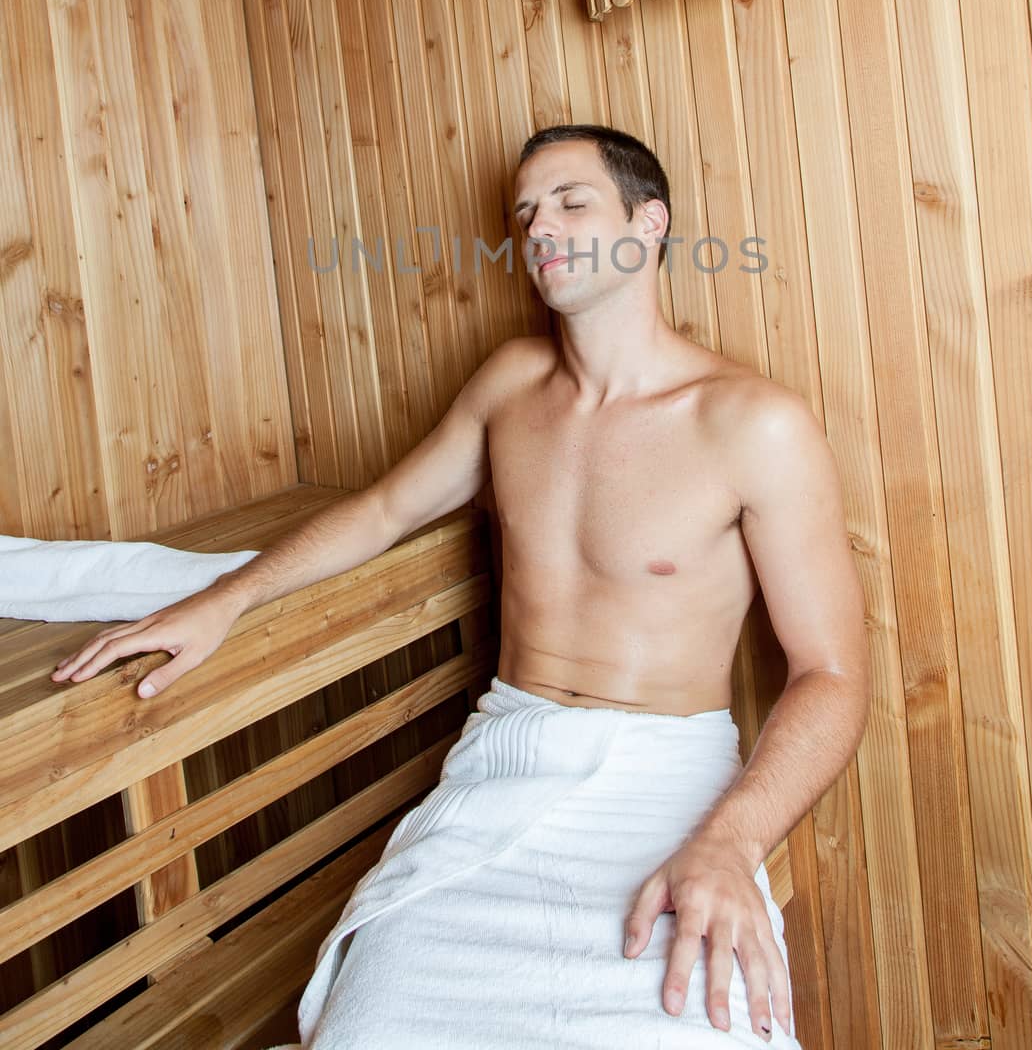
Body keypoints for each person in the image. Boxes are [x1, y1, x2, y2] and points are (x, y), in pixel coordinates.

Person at [52, 123, 869, 1048]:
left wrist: (732, 840)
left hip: (662, 787)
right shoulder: (511, 388)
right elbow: (385, 509)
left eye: (570, 203)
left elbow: (830, 674)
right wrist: (227, 598)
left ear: (648, 225)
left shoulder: (750, 423)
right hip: (501, 766)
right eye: (524, 215)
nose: (540, 231)